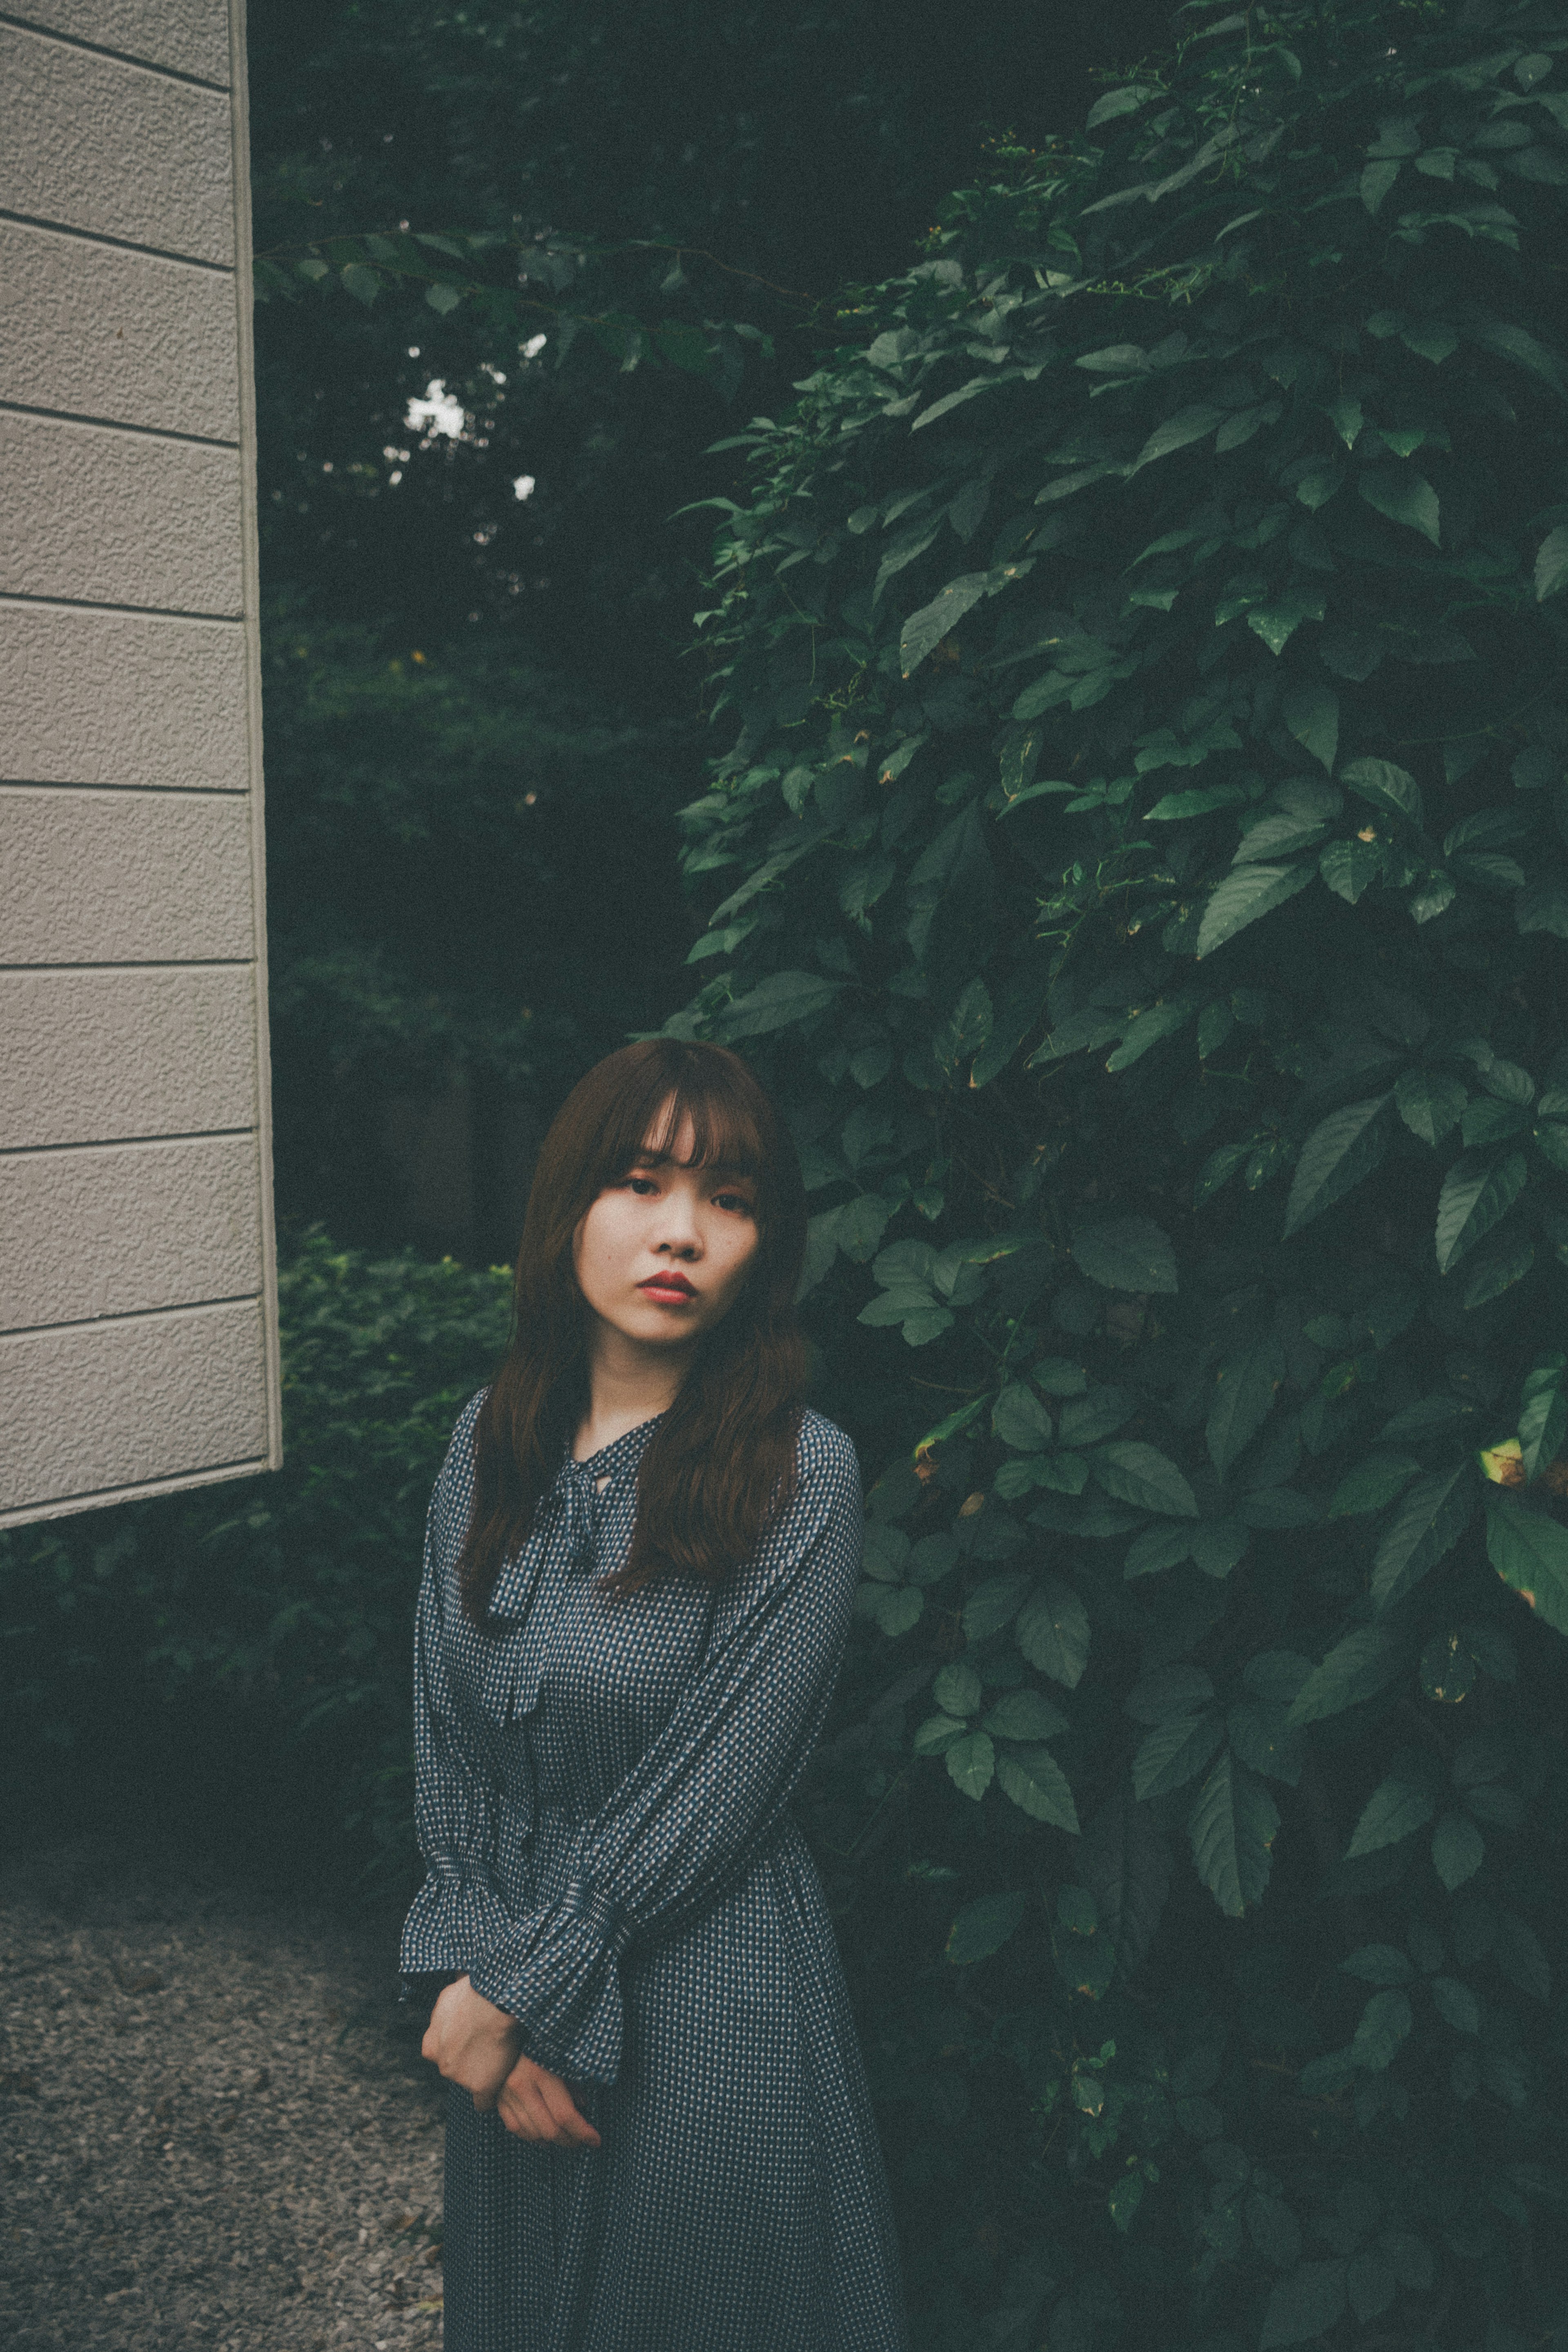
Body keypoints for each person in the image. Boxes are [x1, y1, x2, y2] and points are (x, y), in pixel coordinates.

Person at [400, 1039, 909, 2352]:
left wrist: (517, 1990)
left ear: (764, 1247)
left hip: (706, 1995)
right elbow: (445, 1737)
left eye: (729, 1201)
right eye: (640, 1183)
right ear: (568, 1207)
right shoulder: (487, 1438)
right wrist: (482, 1976)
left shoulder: (803, 1473)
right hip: (510, 2001)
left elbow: (720, 1785)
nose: (681, 1232)